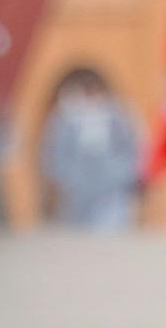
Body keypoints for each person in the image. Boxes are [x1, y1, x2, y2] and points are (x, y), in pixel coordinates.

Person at [35, 63, 148, 234]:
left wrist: (129, 174)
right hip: (77, 190)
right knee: (80, 234)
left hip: (113, 187)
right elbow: (54, 152)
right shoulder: (66, 118)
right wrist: (65, 178)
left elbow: (133, 146)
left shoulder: (118, 115)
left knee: (114, 229)